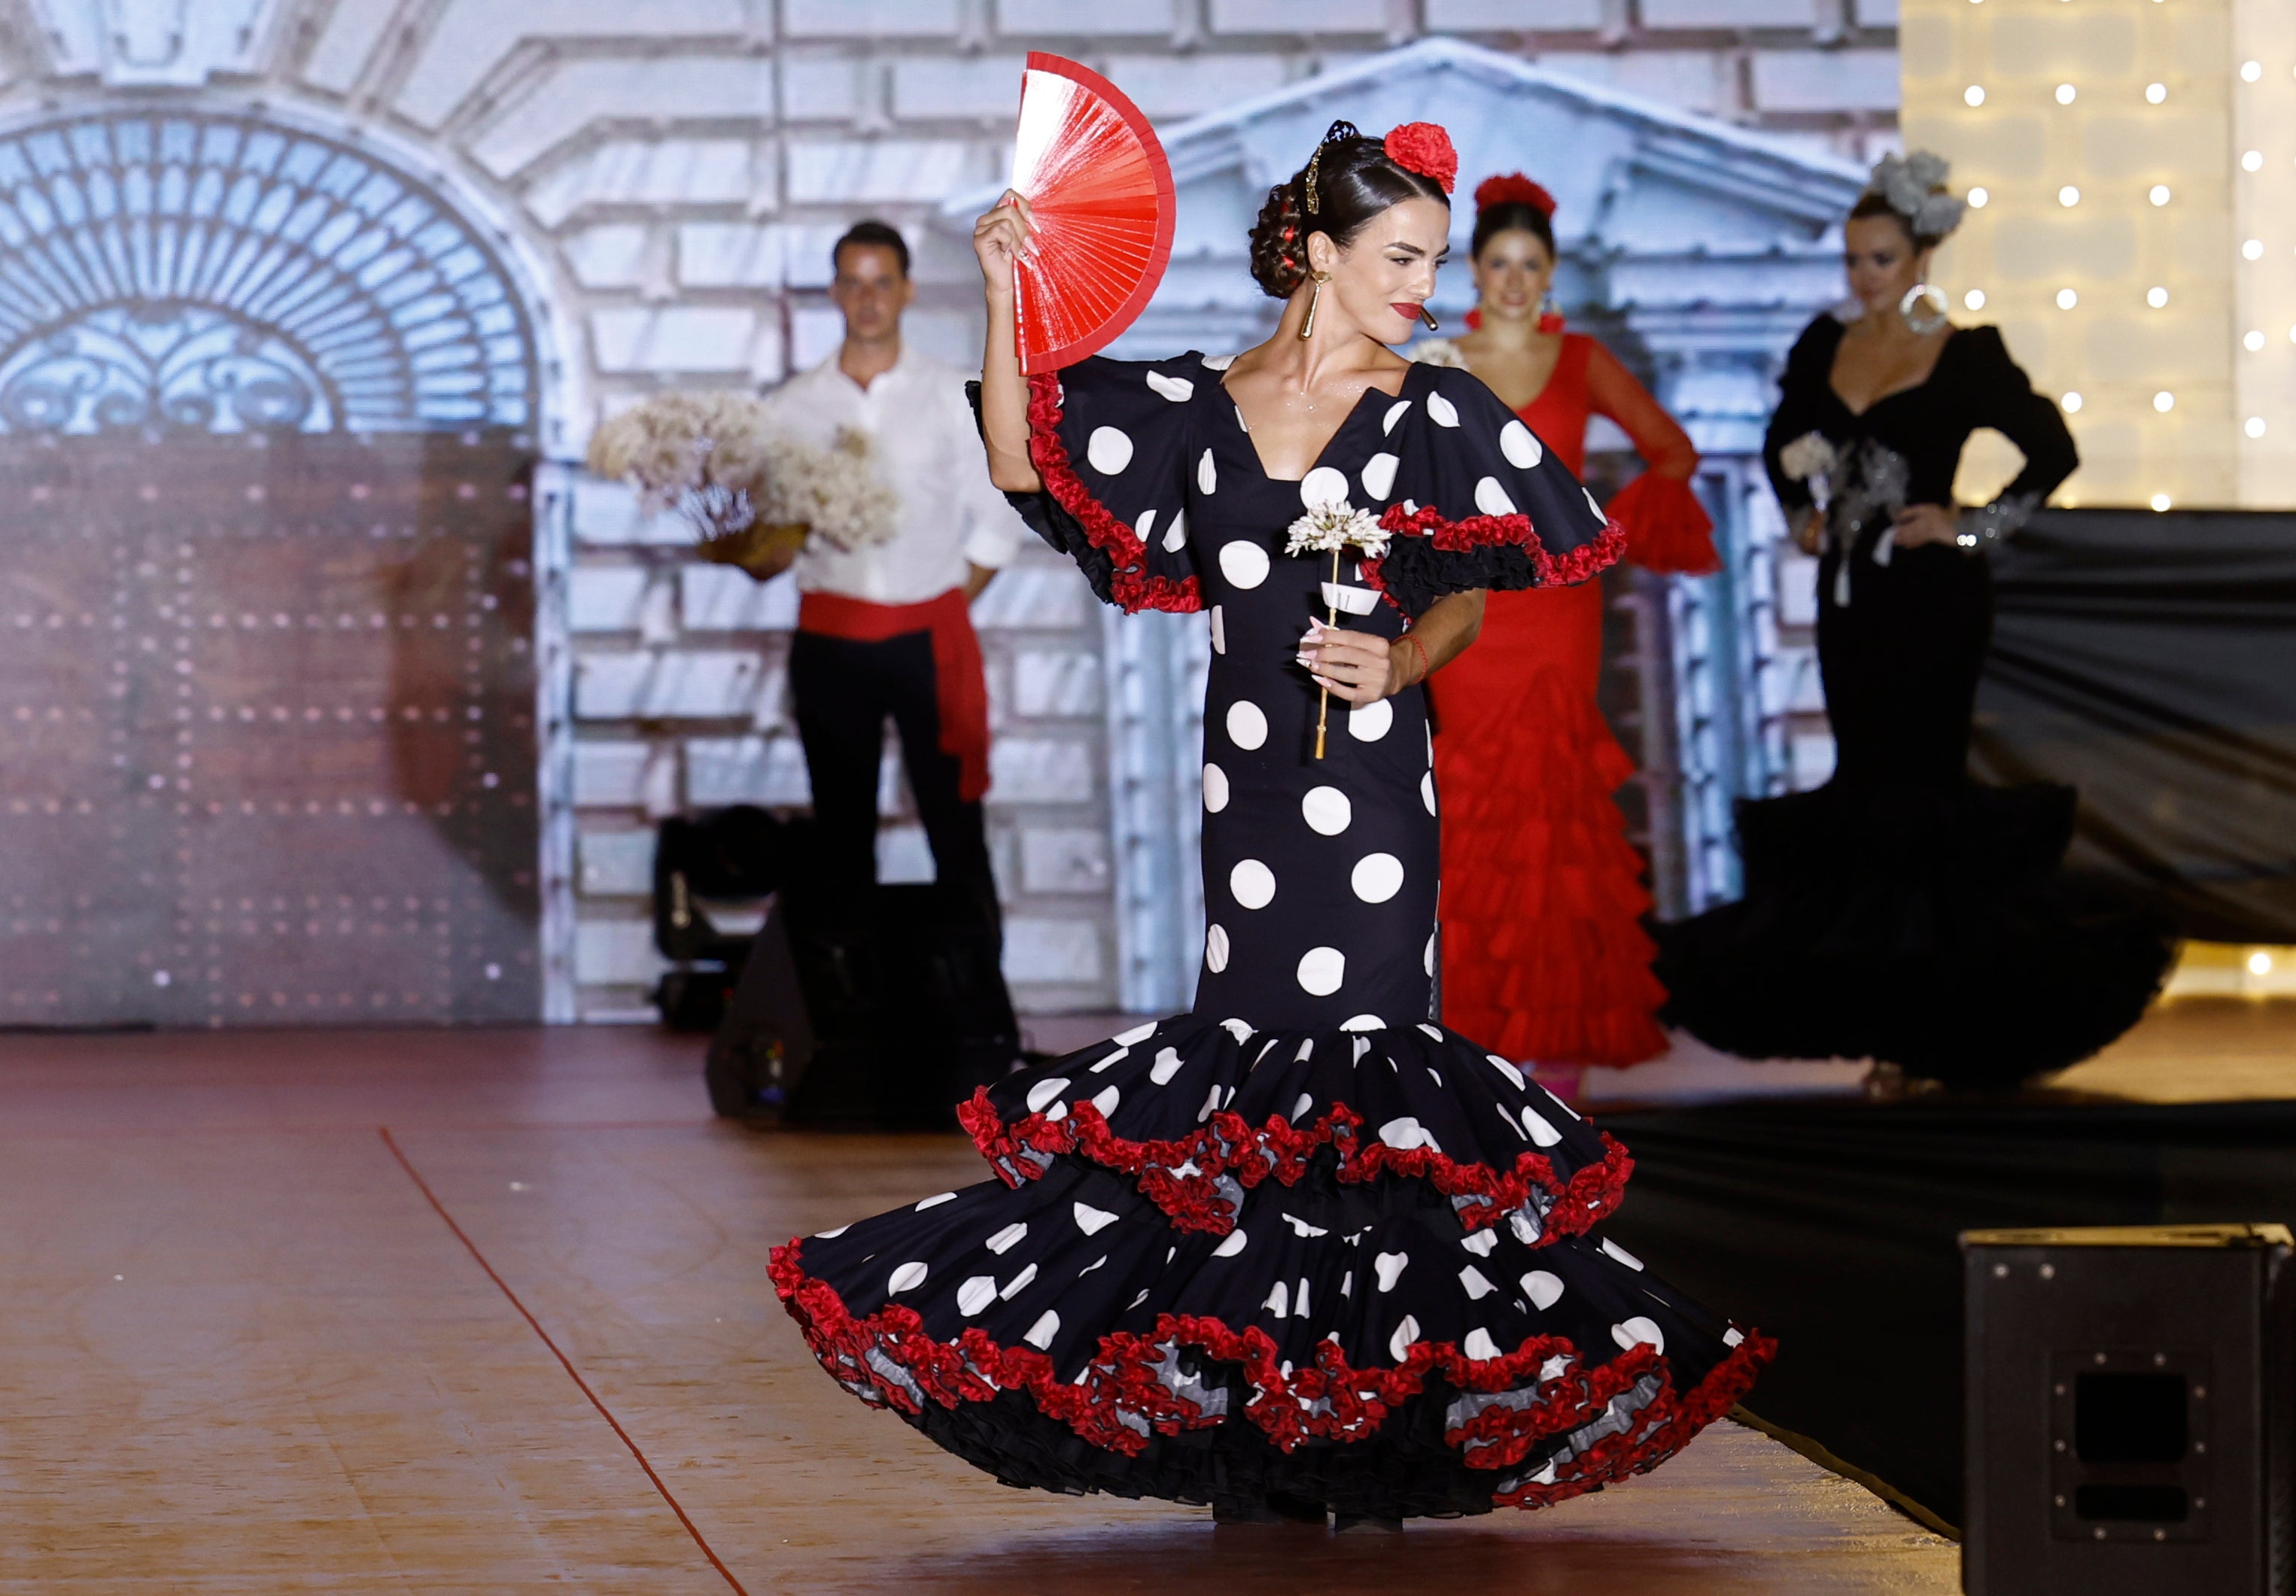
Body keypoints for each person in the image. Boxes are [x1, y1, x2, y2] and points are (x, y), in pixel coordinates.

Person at [769, 120, 1768, 1531]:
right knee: (1242, 1092)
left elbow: (1474, 589)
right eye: (1401, 256)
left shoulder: (1431, 406)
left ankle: (1358, 1422)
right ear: (1316, 252)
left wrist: (1399, 661)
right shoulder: (1193, 401)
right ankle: (1258, 1401)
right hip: (1242, 807)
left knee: (1360, 1096)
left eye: (1431, 258)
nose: (1423, 285)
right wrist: (1002, 295)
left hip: (1370, 806)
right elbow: (1020, 464)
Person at [1652, 153, 2173, 1088]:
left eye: (1880, 260)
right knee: (1864, 793)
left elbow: (2052, 451)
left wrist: (1968, 529)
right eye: (1852, 260)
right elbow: (1780, 444)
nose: (1861, 278)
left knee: (1921, 799)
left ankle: (1934, 1037)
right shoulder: (1824, 344)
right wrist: (1800, 514)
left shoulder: (1964, 353)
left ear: (1921, 260)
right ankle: (1892, 1028)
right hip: (1849, 601)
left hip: (1933, 602)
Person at [1409, 173, 1720, 1084]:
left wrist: (1590, 530)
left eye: (1529, 265)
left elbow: (1673, 451)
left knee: (1549, 809)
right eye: (1497, 262)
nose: (1511, 279)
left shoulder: (1581, 360)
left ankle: (1554, 1065)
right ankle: (1475, 1044)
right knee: (1468, 805)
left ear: (1550, 274)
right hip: (1471, 609)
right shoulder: (1438, 361)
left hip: (1555, 612)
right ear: (1471, 269)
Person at [764, 220, 1021, 937]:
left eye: (882, 283)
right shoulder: (792, 407)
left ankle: (983, 1018)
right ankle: (849, 1026)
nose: (868, 299)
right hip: (830, 641)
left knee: (954, 826)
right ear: (834, 293)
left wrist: (944, 603)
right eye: (853, 283)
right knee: (842, 833)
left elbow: (998, 512)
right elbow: (774, 538)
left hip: (924, 640)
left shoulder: (946, 393)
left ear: (906, 291)